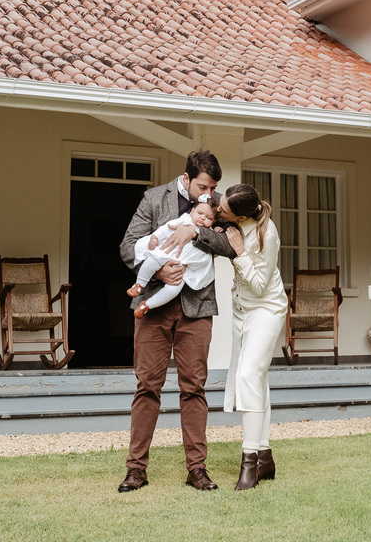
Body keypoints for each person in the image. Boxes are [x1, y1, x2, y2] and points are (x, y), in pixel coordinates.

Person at [117, 150, 235, 493]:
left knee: (194, 388)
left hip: (196, 309)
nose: (207, 193)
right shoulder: (154, 199)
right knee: (147, 386)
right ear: (186, 178)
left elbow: (230, 246)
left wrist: (195, 235)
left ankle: (196, 469)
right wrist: (161, 268)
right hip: (153, 305)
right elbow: (127, 247)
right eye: (202, 185)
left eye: (213, 187)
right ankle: (136, 469)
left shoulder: (217, 205)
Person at [218, 182, 288, 490]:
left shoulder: (266, 234)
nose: (220, 210)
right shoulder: (236, 219)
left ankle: (249, 462)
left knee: (248, 375)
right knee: (257, 378)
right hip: (242, 313)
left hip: (266, 310)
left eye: (224, 210)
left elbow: (260, 285)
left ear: (242, 214)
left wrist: (241, 252)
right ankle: (265, 457)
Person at [127, 195, 219, 319]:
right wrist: (155, 237)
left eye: (208, 217)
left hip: (183, 268)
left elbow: (220, 242)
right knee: (151, 261)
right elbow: (166, 228)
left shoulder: (210, 232)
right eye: (200, 213)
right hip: (168, 253)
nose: (202, 218)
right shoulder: (184, 220)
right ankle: (139, 284)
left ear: (213, 221)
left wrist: (215, 231)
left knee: (173, 290)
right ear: (192, 211)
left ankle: (147, 305)